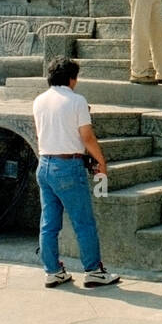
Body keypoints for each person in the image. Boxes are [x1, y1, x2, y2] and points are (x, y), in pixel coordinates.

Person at [33, 57, 120, 288]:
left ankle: (52, 271)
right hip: (68, 167)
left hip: (44, 165)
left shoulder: (39, 101)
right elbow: (87, 137)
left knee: (49, 223)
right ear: (72, 78)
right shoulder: (77, 101)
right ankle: (93, 270)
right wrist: (101, 162)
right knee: (83, 223)